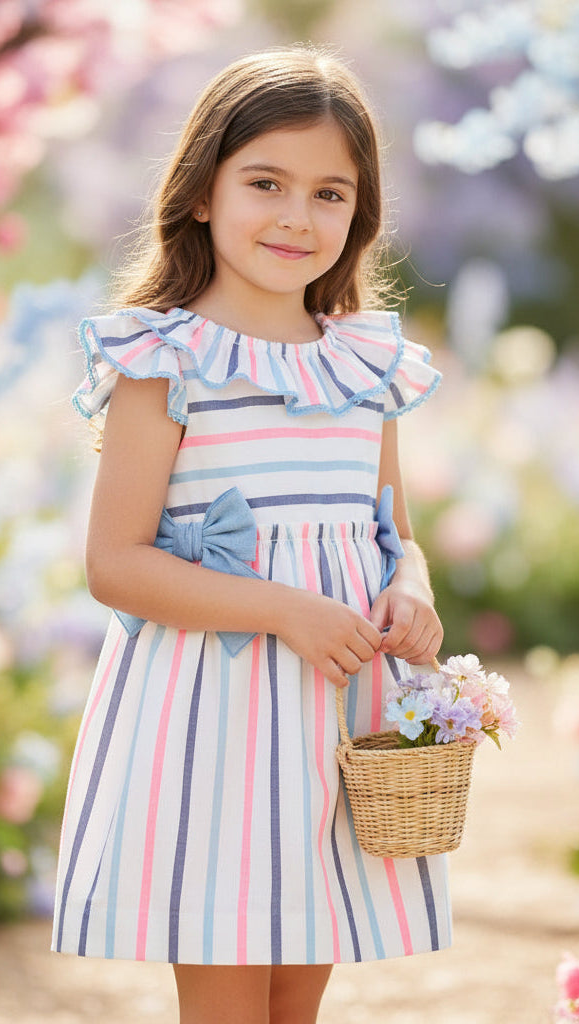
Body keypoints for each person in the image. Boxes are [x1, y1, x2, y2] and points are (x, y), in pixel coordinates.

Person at [52, 44, 447, 1024]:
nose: (295, 217)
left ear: (359, 214)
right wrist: (285, 610)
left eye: (329, 194)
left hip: (334, 722)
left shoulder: (363, 363)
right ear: (201, 191)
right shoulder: (165, 360)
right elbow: (115, 563)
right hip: (213, 726)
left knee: (293, 1001)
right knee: (227, 1002)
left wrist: (412, 589)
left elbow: (395, 531)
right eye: (265, 183)